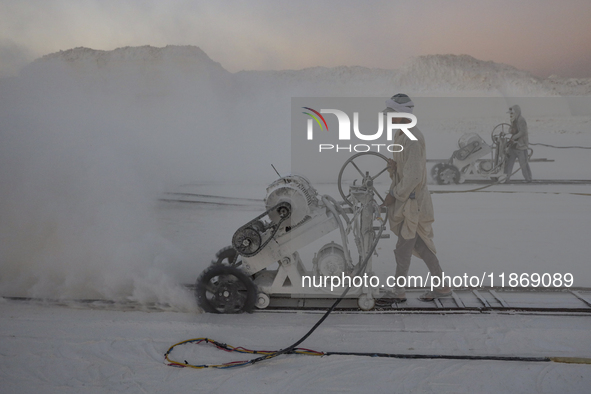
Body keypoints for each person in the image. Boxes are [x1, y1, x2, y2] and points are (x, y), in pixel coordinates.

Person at [380, 94, 451, 302]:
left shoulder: (412, 139)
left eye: (392, 114)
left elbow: (413, 176)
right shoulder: (401, 135)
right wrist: (393, 170)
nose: (389, 118)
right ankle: (443, 287)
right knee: (420, 246)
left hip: (412, 204)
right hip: (408, 202)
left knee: (403, 249)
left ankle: (399, 292)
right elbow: (405, 171)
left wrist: (393, 194)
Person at [504, 105, 532, 182]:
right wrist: (511, 131)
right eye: (510, 113)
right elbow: (510, 129)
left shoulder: (521, 120)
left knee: (523, 164)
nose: (510, 115)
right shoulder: (513, 120)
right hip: (513, 146)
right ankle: (505, 178)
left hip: (521, 146)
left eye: (512, 113)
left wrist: (513, 137)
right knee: (509, 163)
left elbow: (523, 132)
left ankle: (528, 179)